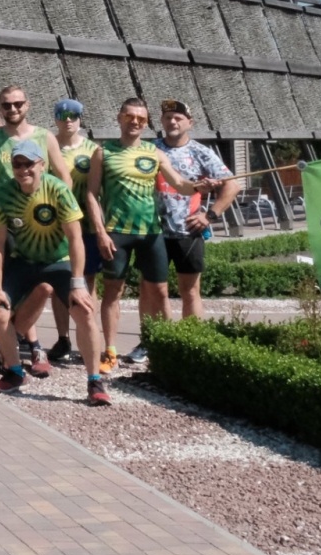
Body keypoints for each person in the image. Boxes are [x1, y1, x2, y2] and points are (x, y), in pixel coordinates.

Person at [87, 97, 212, 370]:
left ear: (146, 123)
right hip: (116, 232)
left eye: (141, 119)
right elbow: (91, 194)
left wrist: (200, 186)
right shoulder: (103, 152)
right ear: (119, 118)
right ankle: (109, 351)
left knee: (159, 291)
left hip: (151, 233)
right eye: (130, 116)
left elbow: (180, 184)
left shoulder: (154, 153)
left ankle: (165, 346)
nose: (135, 122)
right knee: (113, 293)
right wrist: (100, 232)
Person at [0, 139, 110, 405]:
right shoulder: (4, 194)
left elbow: (76, 239)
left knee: (84, 311)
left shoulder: (58, 189)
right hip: (23, 261)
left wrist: (77, 282)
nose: (23, 169)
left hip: (59, 260)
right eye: (17, 164)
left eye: (28, 163)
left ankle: (95, 382)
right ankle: (15, 372)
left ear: (42, 165)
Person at [155, 99, 240, 321]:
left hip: (188, 231)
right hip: (154, 232)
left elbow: (232, 184)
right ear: (161, 121)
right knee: (157, 291)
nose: (172, 122)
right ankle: (158, 340)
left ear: (189, 123)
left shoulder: (200, 152)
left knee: (190, 291)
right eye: (168, 118)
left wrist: (210, 215)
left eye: (178, 118)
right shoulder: (150, 150)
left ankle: (192, 339)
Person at [47, 98, 102, 363]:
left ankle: (87, 333)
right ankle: (63, 337)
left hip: (86, 226)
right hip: (54, 227)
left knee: (87, 282)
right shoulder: (47, 147)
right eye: (62, 115)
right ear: (56, 119)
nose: (68, 119)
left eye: (73, 115)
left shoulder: (93, 150)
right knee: (60, 283)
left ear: (81, 119)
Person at [0, 85, 73, 187]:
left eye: (18, 104)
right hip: (5, 201)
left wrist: (64, 201)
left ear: (27, 105)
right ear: (0, 108)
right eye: (6, 105)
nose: (13, 109)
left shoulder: (45, 137)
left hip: (40, 200)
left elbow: (64, 177)